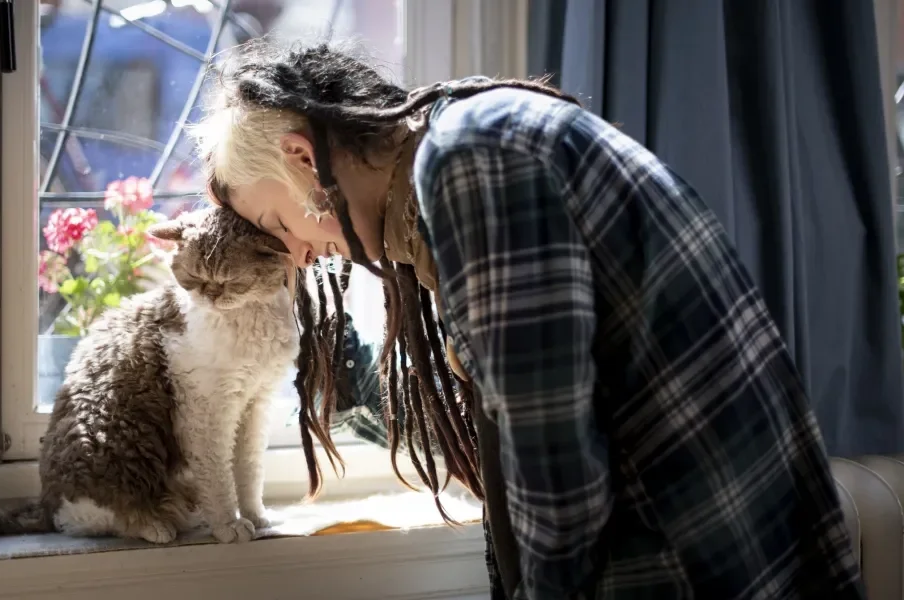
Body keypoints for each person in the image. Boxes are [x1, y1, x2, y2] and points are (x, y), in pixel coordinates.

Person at [192, 40, 865, 599]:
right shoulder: (467, 143)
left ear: (303, 159)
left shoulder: (471, 163)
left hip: (701, 561)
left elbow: (554, 468)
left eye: (279, 224)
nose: (299, 256)